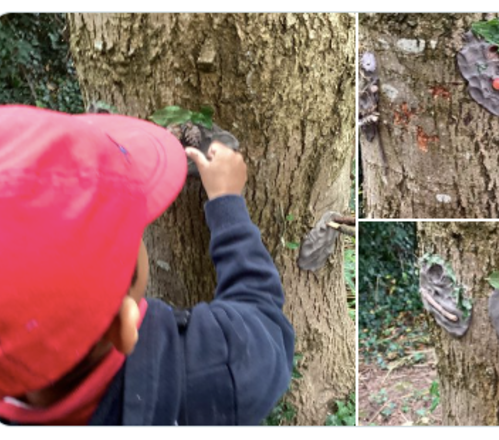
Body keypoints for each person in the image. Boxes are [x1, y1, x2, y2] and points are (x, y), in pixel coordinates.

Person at [0, 105, 295, 425]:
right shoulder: (218, 369)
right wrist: (227, 205)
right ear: (125, 327)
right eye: (132, 231)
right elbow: (263, 318)